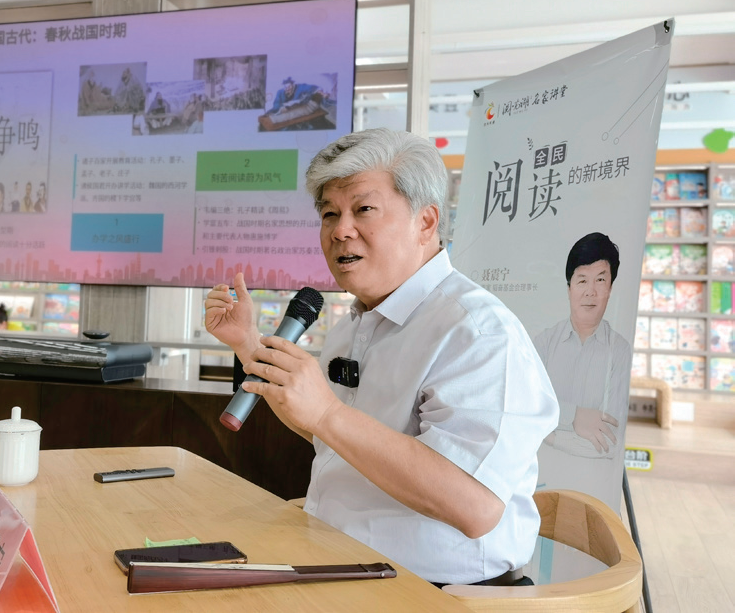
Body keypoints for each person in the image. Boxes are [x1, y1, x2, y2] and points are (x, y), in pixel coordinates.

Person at [204, 128, 558, 586]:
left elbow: (474, 506)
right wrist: (250, 347)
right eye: (329, 214)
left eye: (363, 210)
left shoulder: (478, 333)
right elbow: (330, 431)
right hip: (335, 566)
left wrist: (328, 413)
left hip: (438, 593)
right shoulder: (357, 321)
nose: (340, 230)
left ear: (425, 222)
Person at [533, 233, 632, 459]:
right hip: (541, 468)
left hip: (594, 475)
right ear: (569, 289)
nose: (590, 291)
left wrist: (552, 437)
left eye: (600, 280)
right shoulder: (544, 343)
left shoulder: (620, 350)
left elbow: (610, 444)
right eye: (582, 280)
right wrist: (575, 416)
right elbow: (524, 411)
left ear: (610, 288)